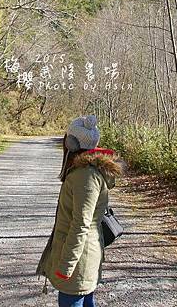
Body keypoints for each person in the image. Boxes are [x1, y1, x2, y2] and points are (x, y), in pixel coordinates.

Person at [37, 115, 122, 307]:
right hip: (80, 257)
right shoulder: (83, 172)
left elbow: (81, 224)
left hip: (78, 261)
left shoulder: (85, 176)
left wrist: (66, 265)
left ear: (71, 143)